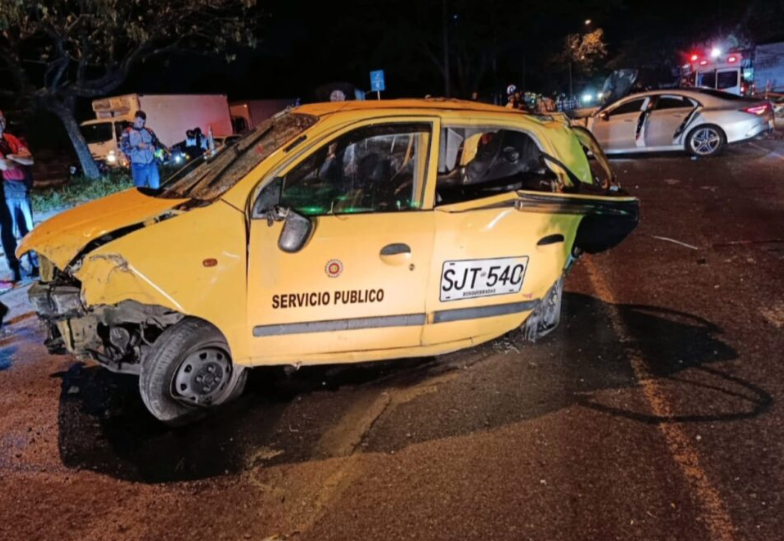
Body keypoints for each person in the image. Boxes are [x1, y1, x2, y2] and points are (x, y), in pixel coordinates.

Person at [0, 110, 33, 282]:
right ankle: (16, 267)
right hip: (7, 189)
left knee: (28, 229)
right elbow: (5, 165)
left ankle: (34, 262)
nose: (0, 123)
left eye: (1, 119)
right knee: (9, 231)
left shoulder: (10, 139)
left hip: (22, 187)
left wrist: (12, 156)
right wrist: (18, 159)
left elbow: (30, 159)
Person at [120, 110, 163, 189]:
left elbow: (157, 143)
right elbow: (124, 148)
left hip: (151, 165)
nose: (142, 124)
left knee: (156, 189)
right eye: (139, 121)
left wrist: (156, 148)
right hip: (138, 167)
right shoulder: (127, 131)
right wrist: (138, 147)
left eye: (143, 122)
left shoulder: (149, 131)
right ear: (134, 119)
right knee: (140, 191)